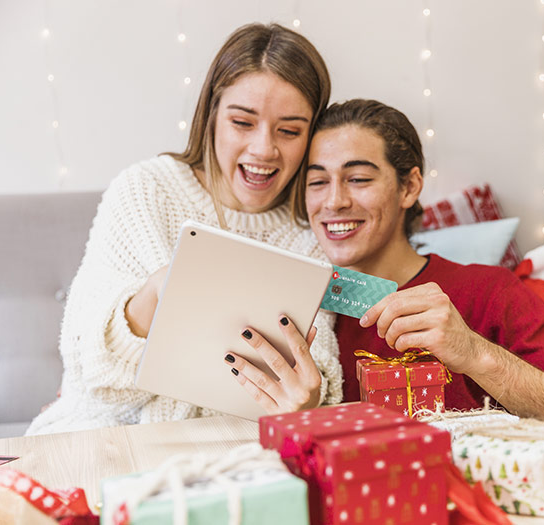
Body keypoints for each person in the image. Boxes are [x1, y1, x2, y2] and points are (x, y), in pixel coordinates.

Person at [295, 98, 544, 523]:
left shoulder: (487, 290)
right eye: (316, 182)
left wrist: (474, 353)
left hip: (492, 506)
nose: (333, 201)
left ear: (409, 187)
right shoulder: (306, 309)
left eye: (357, 178)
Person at [27, 23, 343, 436]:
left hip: (233, 448)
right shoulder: (146, 190)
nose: (264, 149)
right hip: (101, 433)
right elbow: (90, 371)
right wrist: (154, 296)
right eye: (242, 122)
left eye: (289, 131)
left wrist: (305, 400)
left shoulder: (311, 229)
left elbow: (316, 376)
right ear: (211, 116)